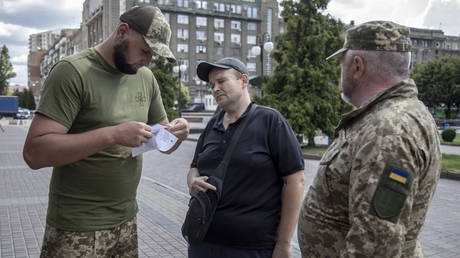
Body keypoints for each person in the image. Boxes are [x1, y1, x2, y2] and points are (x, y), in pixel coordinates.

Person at [22, 5, 189, 257]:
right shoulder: (73, 72)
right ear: (122, 31)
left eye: (154, 54)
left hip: (127, 221)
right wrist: (112, 135)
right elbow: (35, 153)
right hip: (77, 227)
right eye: (145, 50)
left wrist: (177, 135)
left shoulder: (145, 77)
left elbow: (162, 141)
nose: (148, 60)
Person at [298, 21, 442, 257]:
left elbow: (375, 245)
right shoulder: (391, 116)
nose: (340, 72)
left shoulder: (389, 131)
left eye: (341, 64)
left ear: (357, 66)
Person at [187, 57, 306, 258]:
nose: (215, 89)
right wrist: (192, 181)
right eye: (211, 84)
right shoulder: (212, 125)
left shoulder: (270, 121)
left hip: (253, 248)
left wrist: (284, 244)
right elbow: (194, 166)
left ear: (243, 80)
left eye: (222, 81)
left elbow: (296, 181)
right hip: (203, 241)